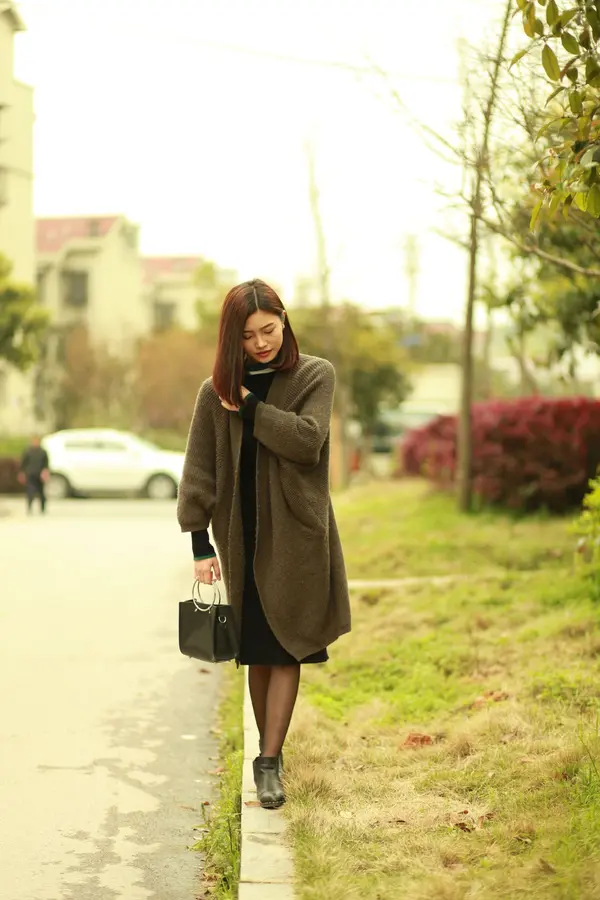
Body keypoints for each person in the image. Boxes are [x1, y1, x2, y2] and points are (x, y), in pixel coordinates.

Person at [177, 279, 351, 809]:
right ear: (232, 337)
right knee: (257, 650)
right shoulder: (214, 393)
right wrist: (200, 545)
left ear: (284, 321)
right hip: (240, 534)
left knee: (287, 645)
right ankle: (264, 754)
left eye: (268, 330)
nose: (261, 343)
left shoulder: (314, 374)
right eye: (248, 335)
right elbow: (199, 469)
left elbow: (306, 442)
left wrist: (250, 406)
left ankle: (270, 761)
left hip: (297, 533)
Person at [19, 435, 50, 515]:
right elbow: (23, 463)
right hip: (30, 474)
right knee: (30, 491)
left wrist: (45, 472)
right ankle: (29, 508)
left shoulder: (43, 452)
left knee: (41, 492)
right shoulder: (28, 451)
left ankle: (42, 509)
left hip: (40, 474)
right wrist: (22, 473)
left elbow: (46, 464)